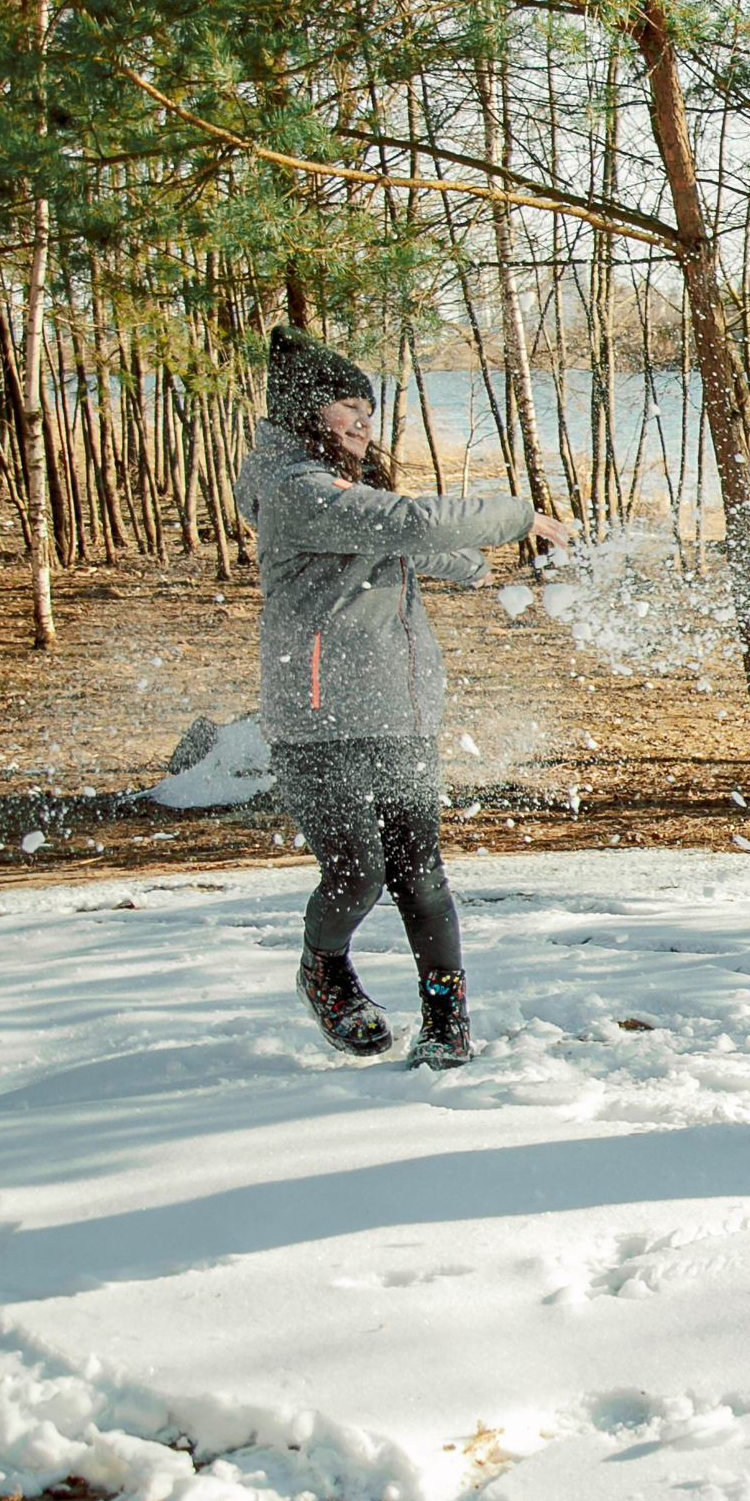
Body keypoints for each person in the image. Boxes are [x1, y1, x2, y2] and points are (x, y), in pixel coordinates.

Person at [233, 325, 563, 1069]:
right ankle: (324, 969)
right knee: (357, 873)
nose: (362, 422)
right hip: (317, 720)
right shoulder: (295, 490)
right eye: (347, 406)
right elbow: (404, 522)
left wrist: (479, 571)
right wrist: (519, 517)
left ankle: (446, 1019)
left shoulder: (341, 488)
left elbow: (409, 542)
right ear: (305, 411)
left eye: (368, 408)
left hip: (399, 710)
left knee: (420, 871)